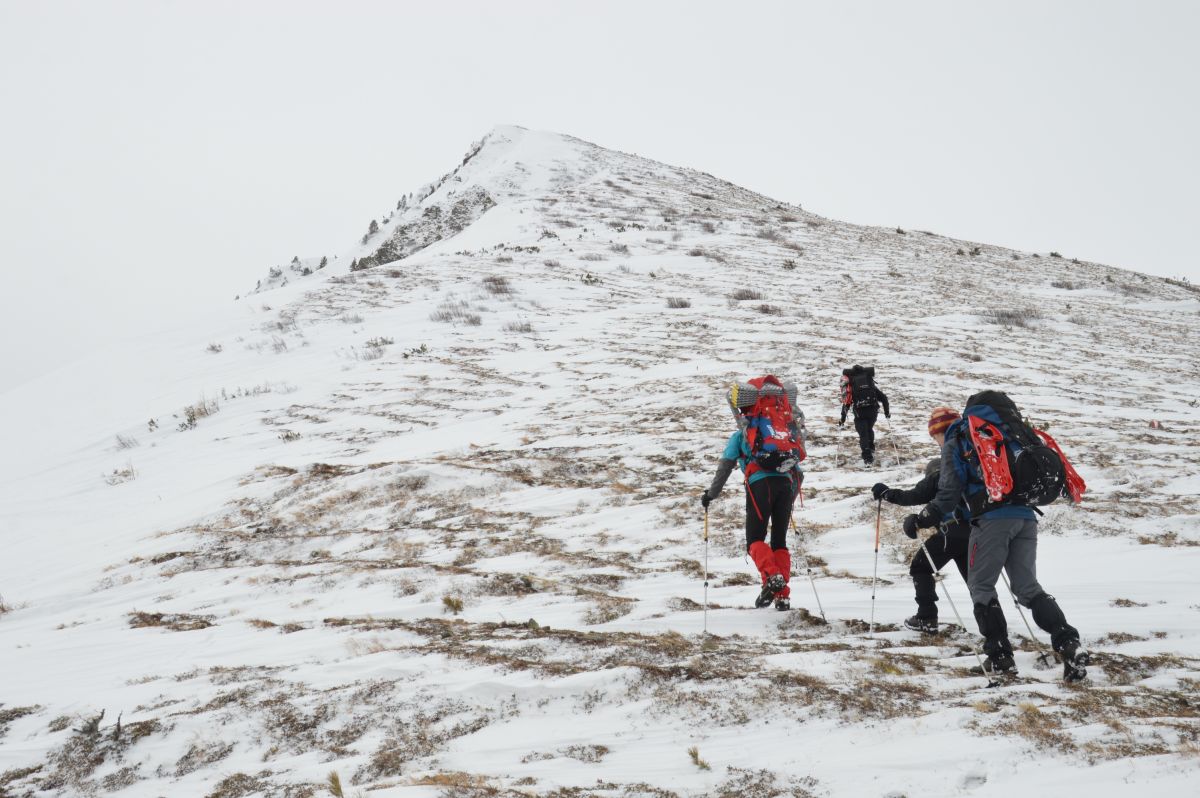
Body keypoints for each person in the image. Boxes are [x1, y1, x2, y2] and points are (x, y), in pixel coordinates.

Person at [906, 390, 1086, 679]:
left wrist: (923, 518)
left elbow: (949, 492)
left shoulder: (960, 437)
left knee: (981, 588)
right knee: (1028, 588)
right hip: (1026, 517)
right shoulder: (1008, 432)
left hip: (991, 520)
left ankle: (1000, 658)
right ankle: (1068, 642)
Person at [702, 388, 805, 611]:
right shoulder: (782, 435)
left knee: (755, 540)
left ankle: (773, 577)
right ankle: (781, 595)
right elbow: (799, 473)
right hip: (785, 486)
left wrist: (711, 495)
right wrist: (790, 498)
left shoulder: (742, 436)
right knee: (779, 542)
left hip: (760, 485)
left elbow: (725, 467)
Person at [871, 407, 969, 633]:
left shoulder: (942, 471)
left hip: (950, 531)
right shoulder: (970, 461)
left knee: (920, 566)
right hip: (975, 530)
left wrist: (887, 493)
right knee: (976, 585)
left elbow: (913, 496)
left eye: (935, 436)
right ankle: (993, 632)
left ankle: (926, 617)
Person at [839, 365, 890, 465]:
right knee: (869, 429)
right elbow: (884, 398)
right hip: (873, 411)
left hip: (860, 412)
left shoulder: (852, 385)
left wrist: (842, 419)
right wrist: (887, 413)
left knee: (863, 434)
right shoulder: (870, 384)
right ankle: (871, 448)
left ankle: (867, 458)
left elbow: (847, 403)